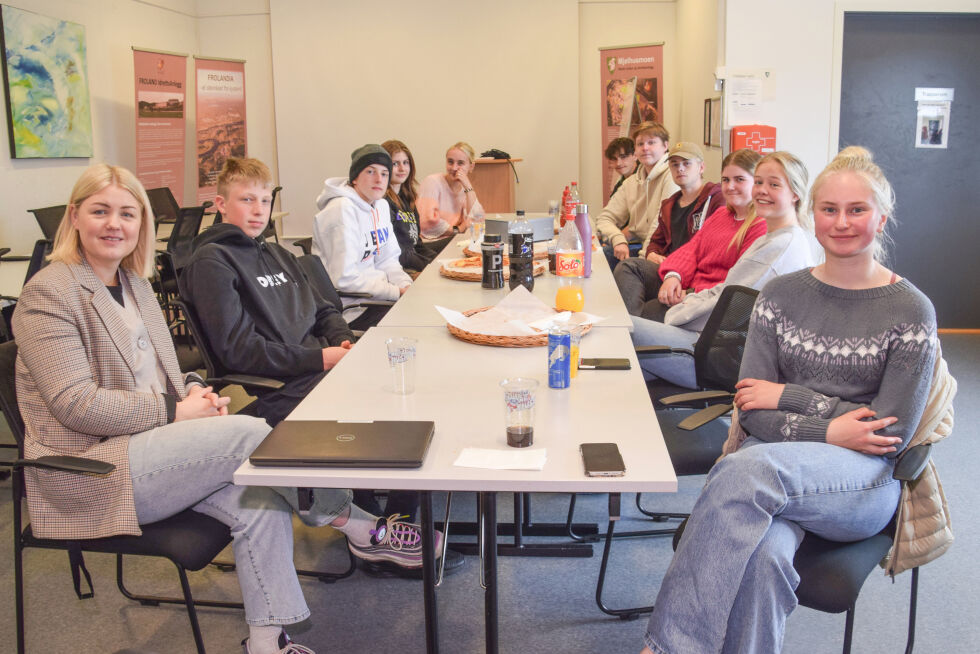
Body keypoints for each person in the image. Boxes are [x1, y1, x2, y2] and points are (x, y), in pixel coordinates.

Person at [15, 164, 435, 654]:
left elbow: (170, 373)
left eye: (127, 213)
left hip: (153, 450)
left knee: (256, 500)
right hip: (91, 471)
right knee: (251, 435)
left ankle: (267, 643)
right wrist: (176, 411)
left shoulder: (134, 285)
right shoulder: (50, 292)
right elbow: (76, 405)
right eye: (100, 211)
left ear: (141, 225)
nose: (115, 224)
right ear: (74, 217)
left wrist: (197, 393)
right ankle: (360, 526)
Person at [640, 147, 941, 654]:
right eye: (830, 210)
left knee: (745, 472)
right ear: (812, 213)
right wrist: (834, 425)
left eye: (857, 210)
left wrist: (791, 398)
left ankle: (669, 648)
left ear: (881, 218)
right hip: (777, 467)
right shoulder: (780, 297)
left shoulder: (911, 310)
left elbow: (888, 433)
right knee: (764, 553)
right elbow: (754, 413)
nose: (841, 222)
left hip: (864, 485)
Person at [180, 158, 354, 427]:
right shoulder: (212, 262)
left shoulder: (280, 254)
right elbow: (240, 350)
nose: (259, 210)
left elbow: (324, 310)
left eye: (264, 200)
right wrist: (320, 358)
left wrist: (343, 341)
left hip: (319, 370)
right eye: (247, 200)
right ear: (222, 204)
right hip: (287, 389)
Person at [628, 150, 816, 387]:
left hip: (714, 356)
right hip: (715, 343)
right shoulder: (774, 238)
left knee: (620, 329)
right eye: (758, 182)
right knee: (622, 369)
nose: (762, 190)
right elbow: (726, 289)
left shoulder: (780, 247)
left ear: (795, 194)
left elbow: (728, 311)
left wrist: (679, 313)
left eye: (774, 184)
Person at [613, 141, 725, 319]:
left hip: (694, 277)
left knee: (647, 310)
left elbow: (714, 250)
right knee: (628, 266)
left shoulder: (716, 200)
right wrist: (652, 254)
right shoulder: (670, 204)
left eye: (686, 163)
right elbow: (655, 243)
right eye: (674, 164)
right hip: (668, 270)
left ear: (701, 167)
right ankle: (631, 327)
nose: (680, 169)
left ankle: (631, 329)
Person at [313, 144, 412, 330]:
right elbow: (344, 279)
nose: (378, 179)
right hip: (353, 309)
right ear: (355, 178)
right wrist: (396, 292)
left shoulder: (380, 206)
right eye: (370, 171)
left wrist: (406, 285)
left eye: (384, 173)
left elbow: (388, 260)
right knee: (416, 324)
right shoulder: (341, 210)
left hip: (379, 298)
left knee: (423, 309)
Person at [595, 122, 679, 270]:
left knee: (624, 268)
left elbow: (659, 224)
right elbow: (604, 218)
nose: (645, 148)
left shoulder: (672, 176)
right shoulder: (631, 182)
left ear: (665, 146)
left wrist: (642, 261)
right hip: (642, 247)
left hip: (665, 252)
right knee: (598, 256)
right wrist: (617, 238)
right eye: (640, 144)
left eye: (651, 142)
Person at [417, 141, 485, 254]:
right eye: (450, 162)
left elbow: (478, 220)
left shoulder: (465, 189)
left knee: (482, 245)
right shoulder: (433, 182)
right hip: (429, 244)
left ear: (471, 166)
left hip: (454, 241)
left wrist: (468, 186)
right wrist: (458, 229)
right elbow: (427, 221)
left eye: (460, 163)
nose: (454, 168)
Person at [382, 139, 435, 276]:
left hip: (413, 258)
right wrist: (431, 266)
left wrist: (437, 261)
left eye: (405, 163)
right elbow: (397, 252)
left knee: (450, 248)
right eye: (395, 164)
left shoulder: (407, 198)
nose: (402, 169)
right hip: (401, 268)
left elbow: (417, 244)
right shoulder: (383, 202)